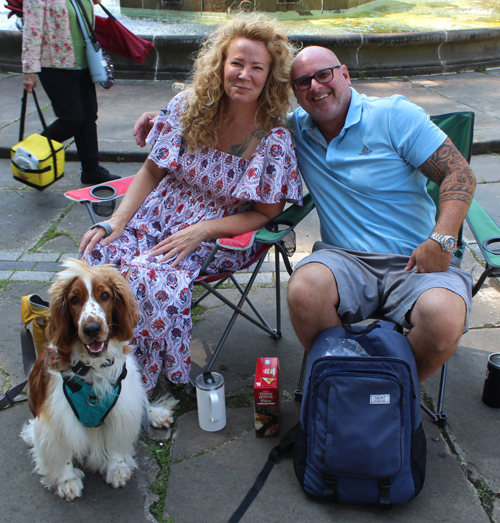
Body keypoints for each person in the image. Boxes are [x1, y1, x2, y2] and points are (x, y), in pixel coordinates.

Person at [79, 14, 302, 394]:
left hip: (216, 235)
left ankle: (137, 382)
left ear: (271, 75)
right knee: (97, 256)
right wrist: (115, 221)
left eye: (256, 67)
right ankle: (96, 359)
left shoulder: (273, 139)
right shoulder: (189, 106)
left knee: (146, 277)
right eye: (236, 63)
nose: (244, 75)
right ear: (220, 64)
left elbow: (266, 213)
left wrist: (201, 230)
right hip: (154, 214)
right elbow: (152, 170)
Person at [286, 46, 476, 383]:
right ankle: (343, 388)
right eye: (302, 82)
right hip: (344, 260)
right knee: (305, 290)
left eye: (323, 74)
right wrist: (163, 119)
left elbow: (458, 173)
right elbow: (233, 116)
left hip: (415, 259)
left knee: (444, 318)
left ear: (344, 73)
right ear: (295, 93)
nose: (315, 86)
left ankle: (389, 396)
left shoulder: (392, 115)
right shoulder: (296, 130)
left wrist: (442, 239)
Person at [21, 0, 120, 185]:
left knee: (89, 117)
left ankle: (91, 171)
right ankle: (31, 154)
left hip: (85, 61)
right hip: (55, 64)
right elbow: (32, 31)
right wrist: (29, 70)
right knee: (72, 119)